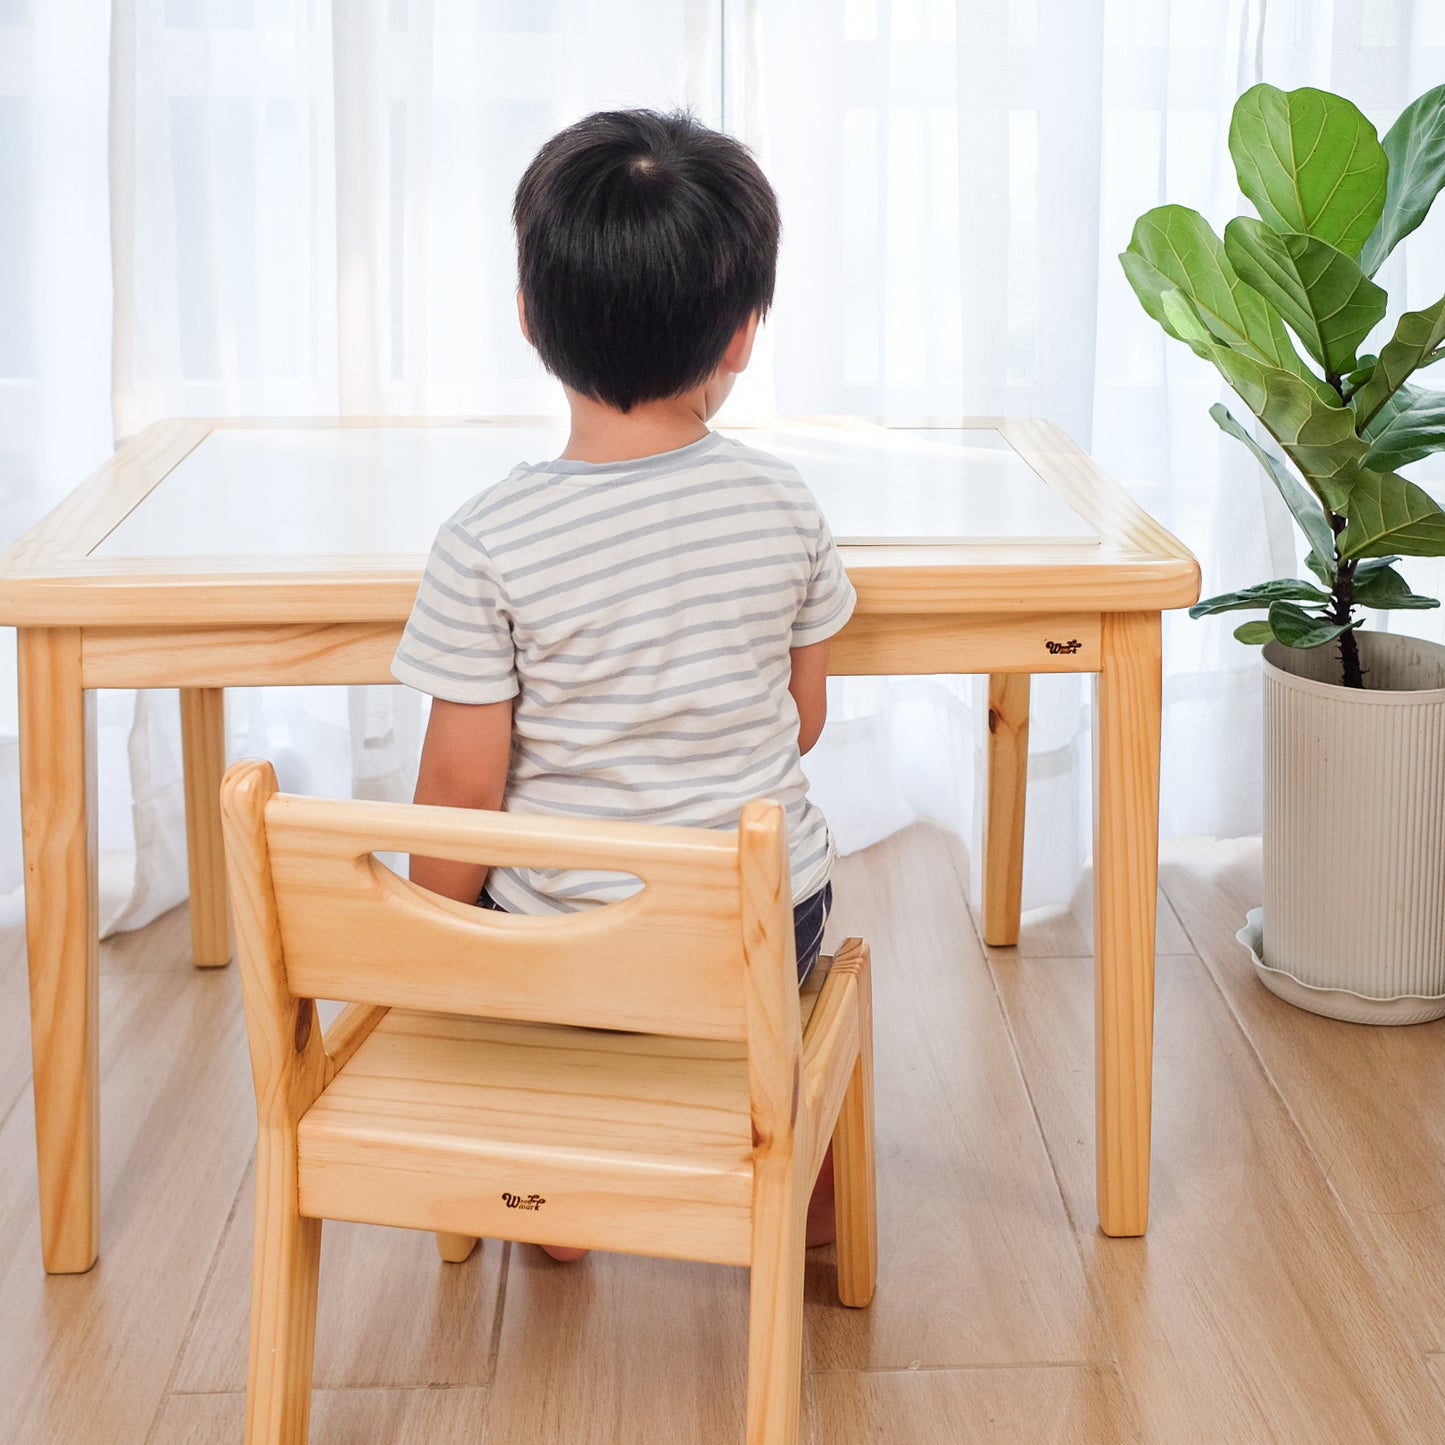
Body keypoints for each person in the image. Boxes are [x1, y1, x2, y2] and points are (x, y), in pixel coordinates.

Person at [390, 108, 855, 1258]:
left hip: (566, 954)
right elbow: (800, 716)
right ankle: (803, 1203)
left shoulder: (485, 540)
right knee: (784, 888)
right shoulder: (784, 503)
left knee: (529, 922)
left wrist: (435, 956)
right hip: (761, 930)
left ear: (530, 317)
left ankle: (561, 1197)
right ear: (743, 332)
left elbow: (457, 791)